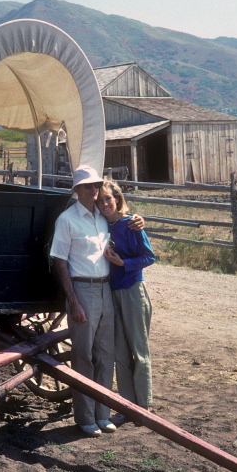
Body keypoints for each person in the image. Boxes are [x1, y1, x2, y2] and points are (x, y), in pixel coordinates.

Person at [50, 166, 143, 436]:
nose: (94, 190)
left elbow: (124, 220)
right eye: (88, 186)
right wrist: (74, 301)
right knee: (84, 356)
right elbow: (60, 260)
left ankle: (103, 414)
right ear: (76, 190)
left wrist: (139, 220)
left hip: (106, 289)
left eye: (97, 185)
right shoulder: (67, 220)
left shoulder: (102, 218)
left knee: (106, 355)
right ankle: (85, 417)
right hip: (83, 289)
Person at [97, 178, 155, 425]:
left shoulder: (131, 224)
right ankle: (126, 406)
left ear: (117, 198)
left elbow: (149, 257)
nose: (104, 204)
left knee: (138, 351)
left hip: (132, 291)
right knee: (120, 351)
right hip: (112, 292)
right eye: (99, 201)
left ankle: (143, 406)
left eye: (108, 198)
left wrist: (124, 264)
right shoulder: (99, 224)